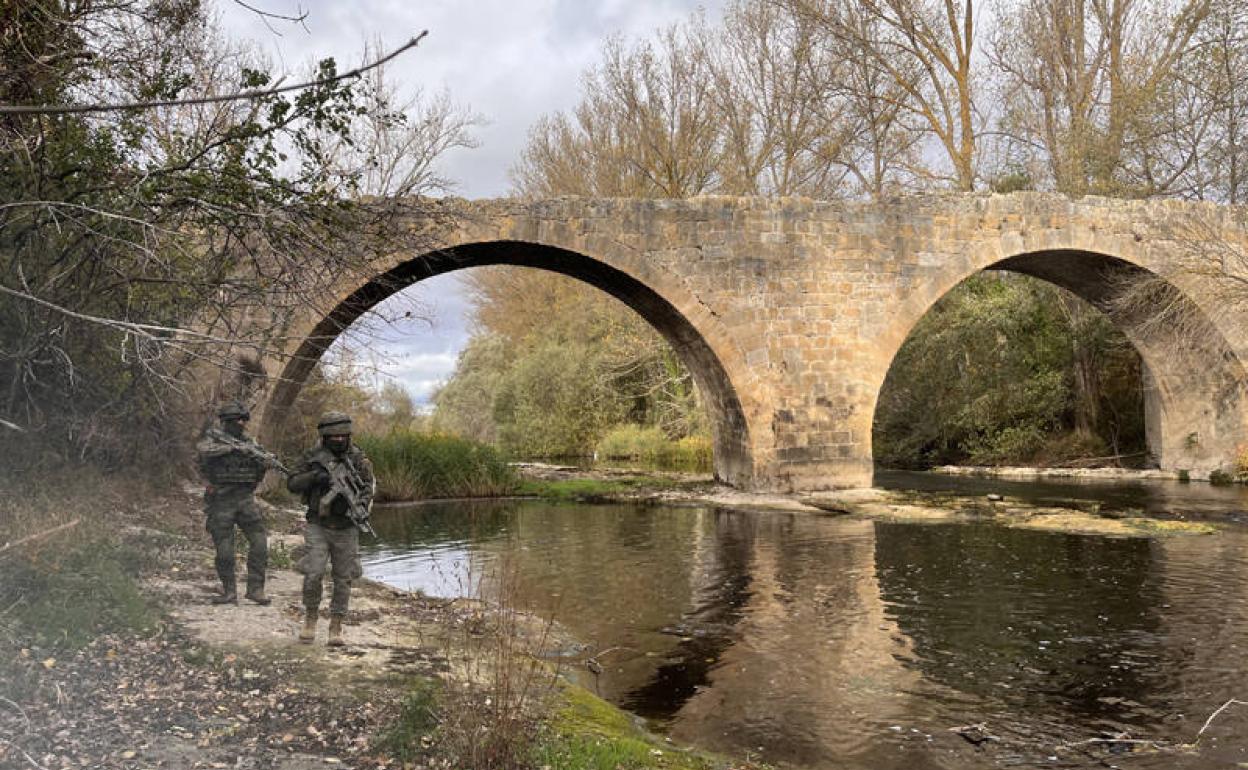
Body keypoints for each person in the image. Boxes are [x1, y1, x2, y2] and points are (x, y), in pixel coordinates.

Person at [286, 411, 375, 646]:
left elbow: (367, 487)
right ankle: (310, 618)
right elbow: (292, 483)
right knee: (314, 572)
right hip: (319, 524)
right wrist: (315, 477)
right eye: (333, 436)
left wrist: (362, 506)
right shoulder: (312, 456)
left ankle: (336, 624)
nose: (338, 440)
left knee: (343, 579)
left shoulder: (358, 459)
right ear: (325, 436)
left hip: (347, 527)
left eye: (343, 435)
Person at [195, 402, 275, 606]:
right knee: (224, 550)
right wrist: (232, 449)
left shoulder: (250, 442)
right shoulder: (212, 439)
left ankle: (256, 589)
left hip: (245, 499)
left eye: (244, 421)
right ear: (227, 422)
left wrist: (263, 461)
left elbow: (260, 465)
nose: (242, 424)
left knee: (259, 542)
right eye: (238, 420)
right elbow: (203, 452)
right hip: (221, 499)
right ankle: (229, 591)